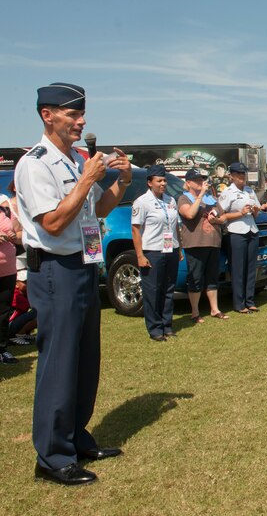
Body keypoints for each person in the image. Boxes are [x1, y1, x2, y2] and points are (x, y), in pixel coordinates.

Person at [15, 82, 132, 485]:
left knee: (85, 360)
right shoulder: (36, 164)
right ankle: (51, 457)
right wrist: (85, 179)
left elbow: (97, 208)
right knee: (59, 363)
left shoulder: (72, 161)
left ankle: (76, 436)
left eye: (82, 114)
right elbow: (51, 222)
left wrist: (120, 182)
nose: (81, 121)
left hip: (84, 264)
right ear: (47, 115)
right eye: (72, 114)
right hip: (54, 271)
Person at [132, 164, 181, 340]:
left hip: (171, 249)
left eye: (164, 180)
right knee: (153, 290)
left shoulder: (170, 200)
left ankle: (167, 325)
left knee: (168, 289)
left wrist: (179, 248)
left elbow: (175, 225)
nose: (163, 183)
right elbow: (136, 230)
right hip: (152, 251)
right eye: (159, 180)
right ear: (149, 182)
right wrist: (140, 255)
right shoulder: (142, 202)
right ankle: (155, 328)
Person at [178, 168, 228, 322]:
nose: (201, 182)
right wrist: (199, 197)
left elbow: (224, 216)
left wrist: (218, 220)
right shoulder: (183, 198)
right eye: (197, 180)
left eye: (202, 179)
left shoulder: (211, 198)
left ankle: (215, 309)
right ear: (188, 183)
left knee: (212, 277)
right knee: (196, 278)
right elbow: (189, 214)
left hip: (213, 243)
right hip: (195, 244)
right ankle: (195, 312)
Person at [218, 162, 261, 314]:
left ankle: (250, 300)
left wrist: (256, 210)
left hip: (251, 230)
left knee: (250, 268)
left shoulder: (250, 191)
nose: (242, 177)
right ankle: (238, 303)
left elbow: (257, 212)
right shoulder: (227, 193)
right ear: (232, 176)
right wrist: (240, 213)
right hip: (236, 232)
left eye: (243, 174)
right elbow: (221, 216)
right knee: (237, 269)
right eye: (239, 174)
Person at [0, 198, 18, 362]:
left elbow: (17, 234)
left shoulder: (4, 211)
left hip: (8, 269)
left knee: (4, 311)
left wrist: (13, 235)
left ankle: (2, 349)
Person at [8, 268, 36, 344]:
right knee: (38, 312)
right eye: (25, 282)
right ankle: (17, 336)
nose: (28, 284)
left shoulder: (24, 293)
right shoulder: (16, 295)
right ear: (16, 284)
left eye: (29, 281)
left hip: (10, 325)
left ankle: (24, 333)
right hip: (8, 327)